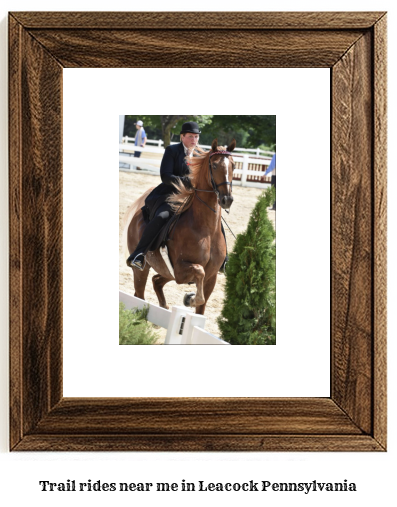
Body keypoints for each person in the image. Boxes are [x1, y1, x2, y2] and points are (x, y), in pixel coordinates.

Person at [126, 121, 228, 273]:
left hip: (195, 197)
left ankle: (223, 260)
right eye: (190, 136)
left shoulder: (202, 154)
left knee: (216, 219)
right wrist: (186, 181)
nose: (194, 139)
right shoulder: (172, 150)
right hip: (171, 194)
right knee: (162, 216)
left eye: (196, 136)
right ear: (182, 137)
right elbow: (165, 176)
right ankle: (139, 254)